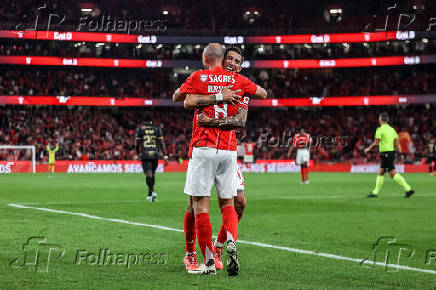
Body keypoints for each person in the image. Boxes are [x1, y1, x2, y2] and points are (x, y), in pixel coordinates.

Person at [173, 46, 267, 273]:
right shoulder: (214, 79)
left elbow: (240, 122)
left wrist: (211, 119)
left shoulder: (236, 82)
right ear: (221, 60)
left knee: (237, 202)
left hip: (221, 149)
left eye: (237, 61)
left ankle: (217, 249)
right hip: (211, 148)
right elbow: (186, 102)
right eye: (230, 59)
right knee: (196, 205)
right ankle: (192, 254)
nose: (233, 63)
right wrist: (217, 95)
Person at [364, 112, 415, 198]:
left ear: (380, 120)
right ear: (387, 120)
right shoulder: (392, 130)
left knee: (392, 173)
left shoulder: (379, 130)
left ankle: (408, 189)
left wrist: (368, 149)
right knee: (381, 172)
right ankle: (375, 192)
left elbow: (376, 143)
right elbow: (397, 144)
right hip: (390, 153)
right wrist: (400, 154)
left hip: (385, 153)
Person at [135, 112, 168, 202]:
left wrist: (137, 154)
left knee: (148, 174)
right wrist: (165, 156)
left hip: (145, 154)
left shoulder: (140, 129)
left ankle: (152, 191)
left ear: (144, 120)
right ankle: (150, 195)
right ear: (151, 120)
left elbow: (137, 144)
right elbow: (162, 143)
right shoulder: (157, 129)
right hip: (155, 154)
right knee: (152, 174)